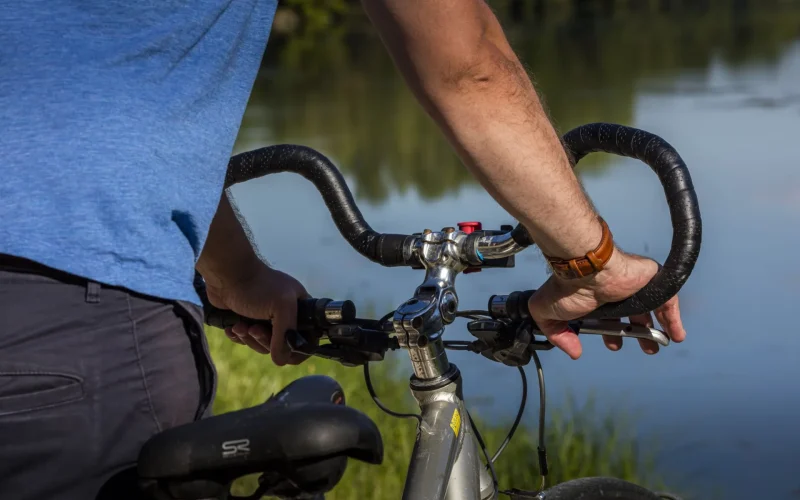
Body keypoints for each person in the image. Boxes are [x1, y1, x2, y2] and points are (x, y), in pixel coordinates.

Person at [0, 0, 685, 498]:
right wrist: (587, 262)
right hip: (64, 322)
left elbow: (92, 119)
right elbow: (466, 64)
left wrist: (235, 273)